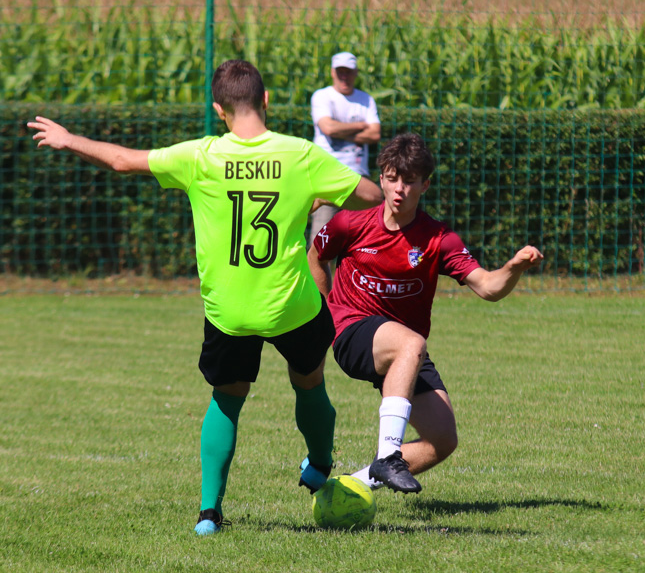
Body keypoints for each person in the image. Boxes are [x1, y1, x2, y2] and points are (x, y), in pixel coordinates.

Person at [28, 59, 382, 535]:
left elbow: (120, 160)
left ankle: (209, 513)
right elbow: (369, 194)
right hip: (291, 306)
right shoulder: (300, 155)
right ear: (267, 100)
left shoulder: (201, 156)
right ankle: (319, 464)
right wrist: (320, 194)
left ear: (219, 109)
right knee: (310, 382)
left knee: (227, 398)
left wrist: (70, 139)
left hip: (229, 311)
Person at [307, 133, 543, 493]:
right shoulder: (350, 225)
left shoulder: (437, 239)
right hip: (354, 332)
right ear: (381, 178)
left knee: (442, 439)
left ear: (424, 184)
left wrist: (513, 267)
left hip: (403, 348)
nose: (399, 188)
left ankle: (348, 488)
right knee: (411, 343)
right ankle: (389, 456)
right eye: (391, 178)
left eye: (409, 180)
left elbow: (488, 287)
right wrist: (326, 316)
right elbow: (316, 256)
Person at [309, 51, 381, 240]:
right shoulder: (322, 96)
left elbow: (375, 133)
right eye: (340, 71)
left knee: (362, 239)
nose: (344, 76)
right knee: (321, 241)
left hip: (358, 177)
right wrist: (359, 126)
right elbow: (328, 128)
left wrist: (341, 131)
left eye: (348, 71)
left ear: (356, 73)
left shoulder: (366, 100)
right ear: (333, 72)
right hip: (327, 176)